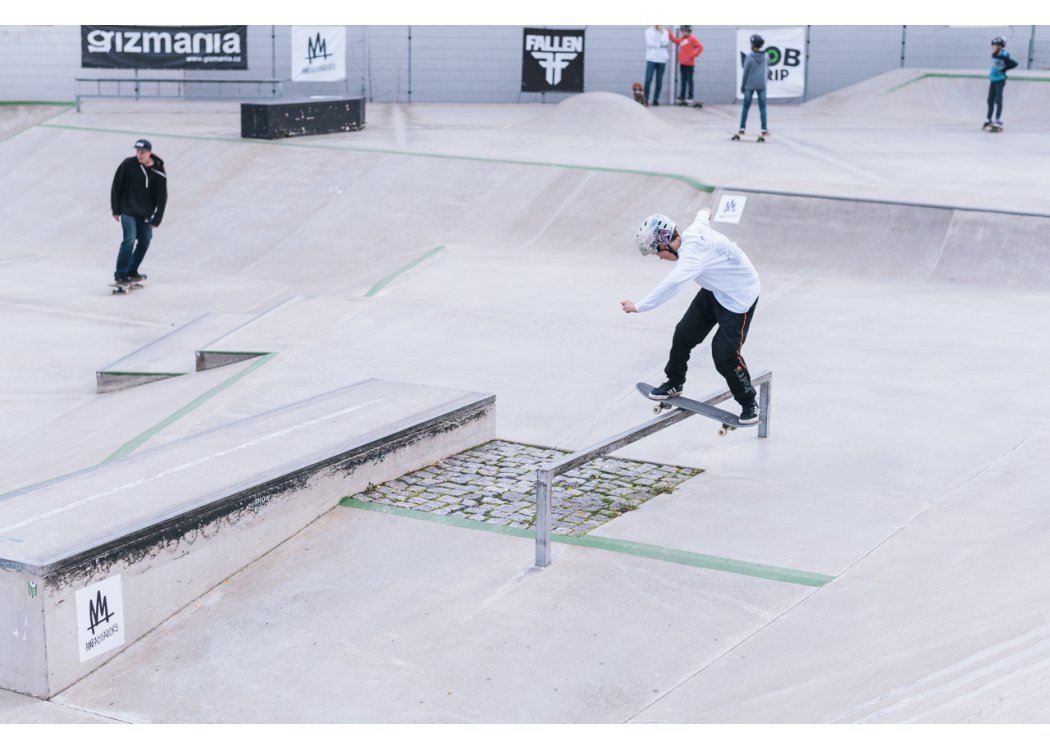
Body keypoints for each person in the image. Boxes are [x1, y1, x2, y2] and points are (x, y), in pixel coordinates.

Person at [621, 207, 761, 424]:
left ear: (665, 242)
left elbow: (672, 285)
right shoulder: (693, 230)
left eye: (657, 251)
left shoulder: (691, 258)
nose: (659, 257)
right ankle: (674, 382)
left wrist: (639, 306)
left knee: (724, 355)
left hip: (738, 299)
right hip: (715, 291)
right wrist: (704, 211)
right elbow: (702, 218)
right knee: (683, 334)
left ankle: (749, 403)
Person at [110, 138, 167, 284]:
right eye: (137, 152)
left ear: (149, 153)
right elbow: (116, 185)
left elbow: (162, 196)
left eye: (142, 152)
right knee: (129, 239)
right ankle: (120, 273)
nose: (139, 155)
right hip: (127, 210)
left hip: (145, 214)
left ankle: (131, 270)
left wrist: (157, 218)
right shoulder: (128, 165)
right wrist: (115, 209)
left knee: (145, 240)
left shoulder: (158, 170)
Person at [738, 34, 770, 137]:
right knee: (763, 107)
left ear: (752, 44)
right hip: (762, 85)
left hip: (749, 85)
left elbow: (745, 72)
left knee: (746, 106)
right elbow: (767, 69)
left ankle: (742, 128)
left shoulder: (749, 57)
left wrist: (743, 86)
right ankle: (764, 129)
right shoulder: (766, 56)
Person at [984, 36, 1018, 130]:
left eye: (995, 45)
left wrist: (1004, 69)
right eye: (993, 45)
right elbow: (995, 56)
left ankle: (997, 119)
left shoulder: (1004, 54)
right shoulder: (994, 54)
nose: (993, 47)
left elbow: (1014, 64)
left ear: (1000, 46)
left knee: (998, 100)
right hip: (993, 79)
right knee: (990, 100)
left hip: (1000, 80)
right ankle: (988, 119)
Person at [673, 25, 704, 106]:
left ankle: (690, 97)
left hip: (689, 64)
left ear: (689, 31)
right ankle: (682, 96)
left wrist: (695, 54)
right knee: (683, 81)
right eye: (682, 31)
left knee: (689, 81)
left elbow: (701, 47)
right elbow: (675, 40)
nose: (683, 32)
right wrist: (669, 32)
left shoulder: (692, 39)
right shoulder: (681, 39)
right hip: (682, 63)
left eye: (685, 31)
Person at [644, 25, 674, 107]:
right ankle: (645, 99)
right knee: (648, 79)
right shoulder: (648, 31)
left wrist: (658, 43)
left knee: (659, 80)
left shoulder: (665, 32)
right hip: (651, 59)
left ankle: (656, 99)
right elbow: (649, 43)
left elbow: (666, 43)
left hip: (662, 59)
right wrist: (660, 45)